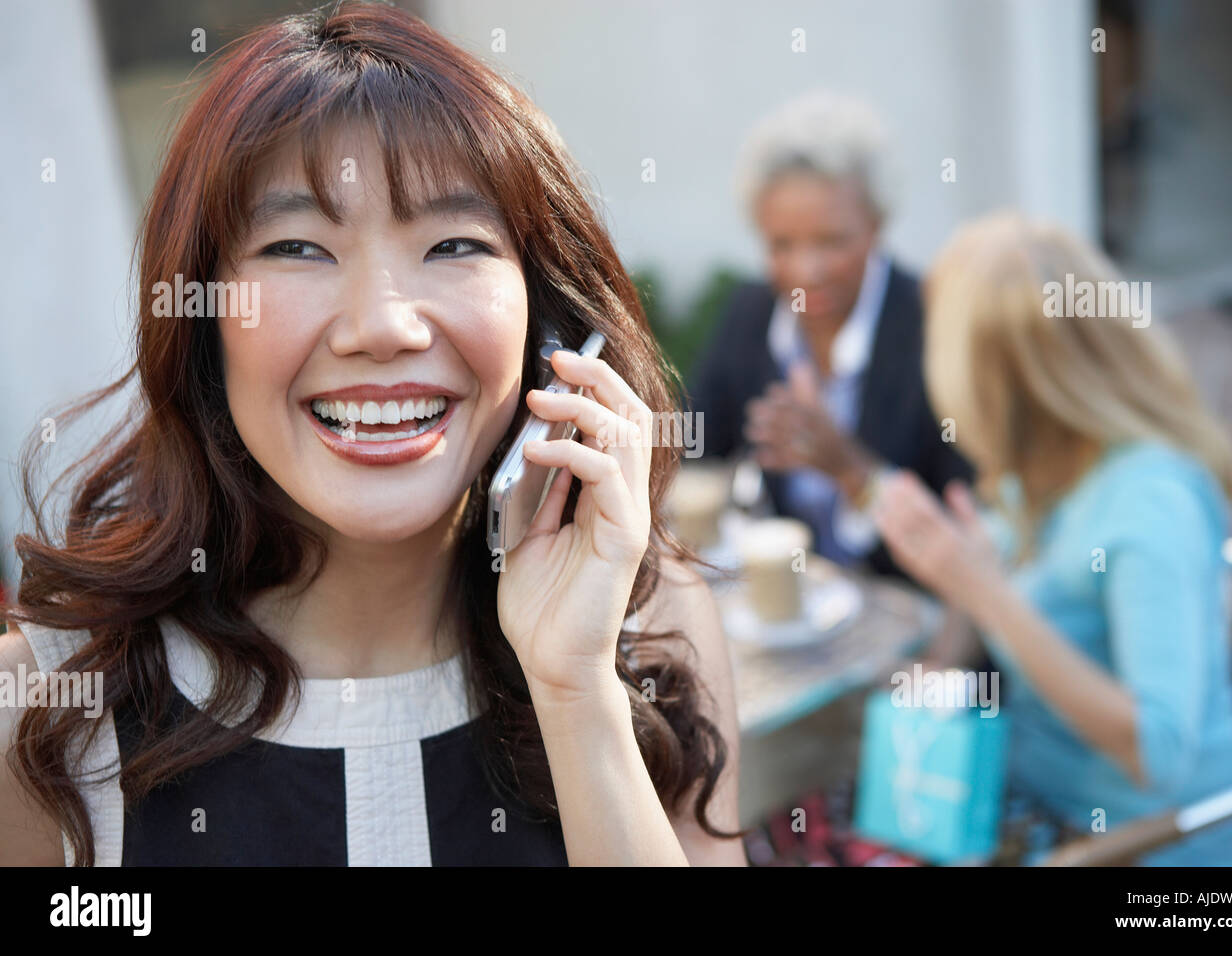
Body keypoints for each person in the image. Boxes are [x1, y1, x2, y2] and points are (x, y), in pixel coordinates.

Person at [0, 1, 745, 867]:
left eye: (454, 243)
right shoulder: (50, 712)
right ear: (204, 322)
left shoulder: (649, 629)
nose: (384, 325)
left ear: (547, 327)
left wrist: (577, 692)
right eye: (298, 249)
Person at [871, 210, 1232, 866]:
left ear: (1002, 383)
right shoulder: (1035, 469)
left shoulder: (1151, 505)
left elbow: (1159, 753)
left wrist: (988, 592)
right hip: (1030, 797)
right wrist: (953, 612)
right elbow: (977, 630)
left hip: (1151, 849)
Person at [686, 90, 972, 577]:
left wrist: (852, 472)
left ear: (877, 225)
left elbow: (970, 526)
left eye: (832, 241)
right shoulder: (750, 315)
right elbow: (690, 445)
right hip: (791, 615)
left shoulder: (935, 327)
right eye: (782, 245)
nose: (807, 271)